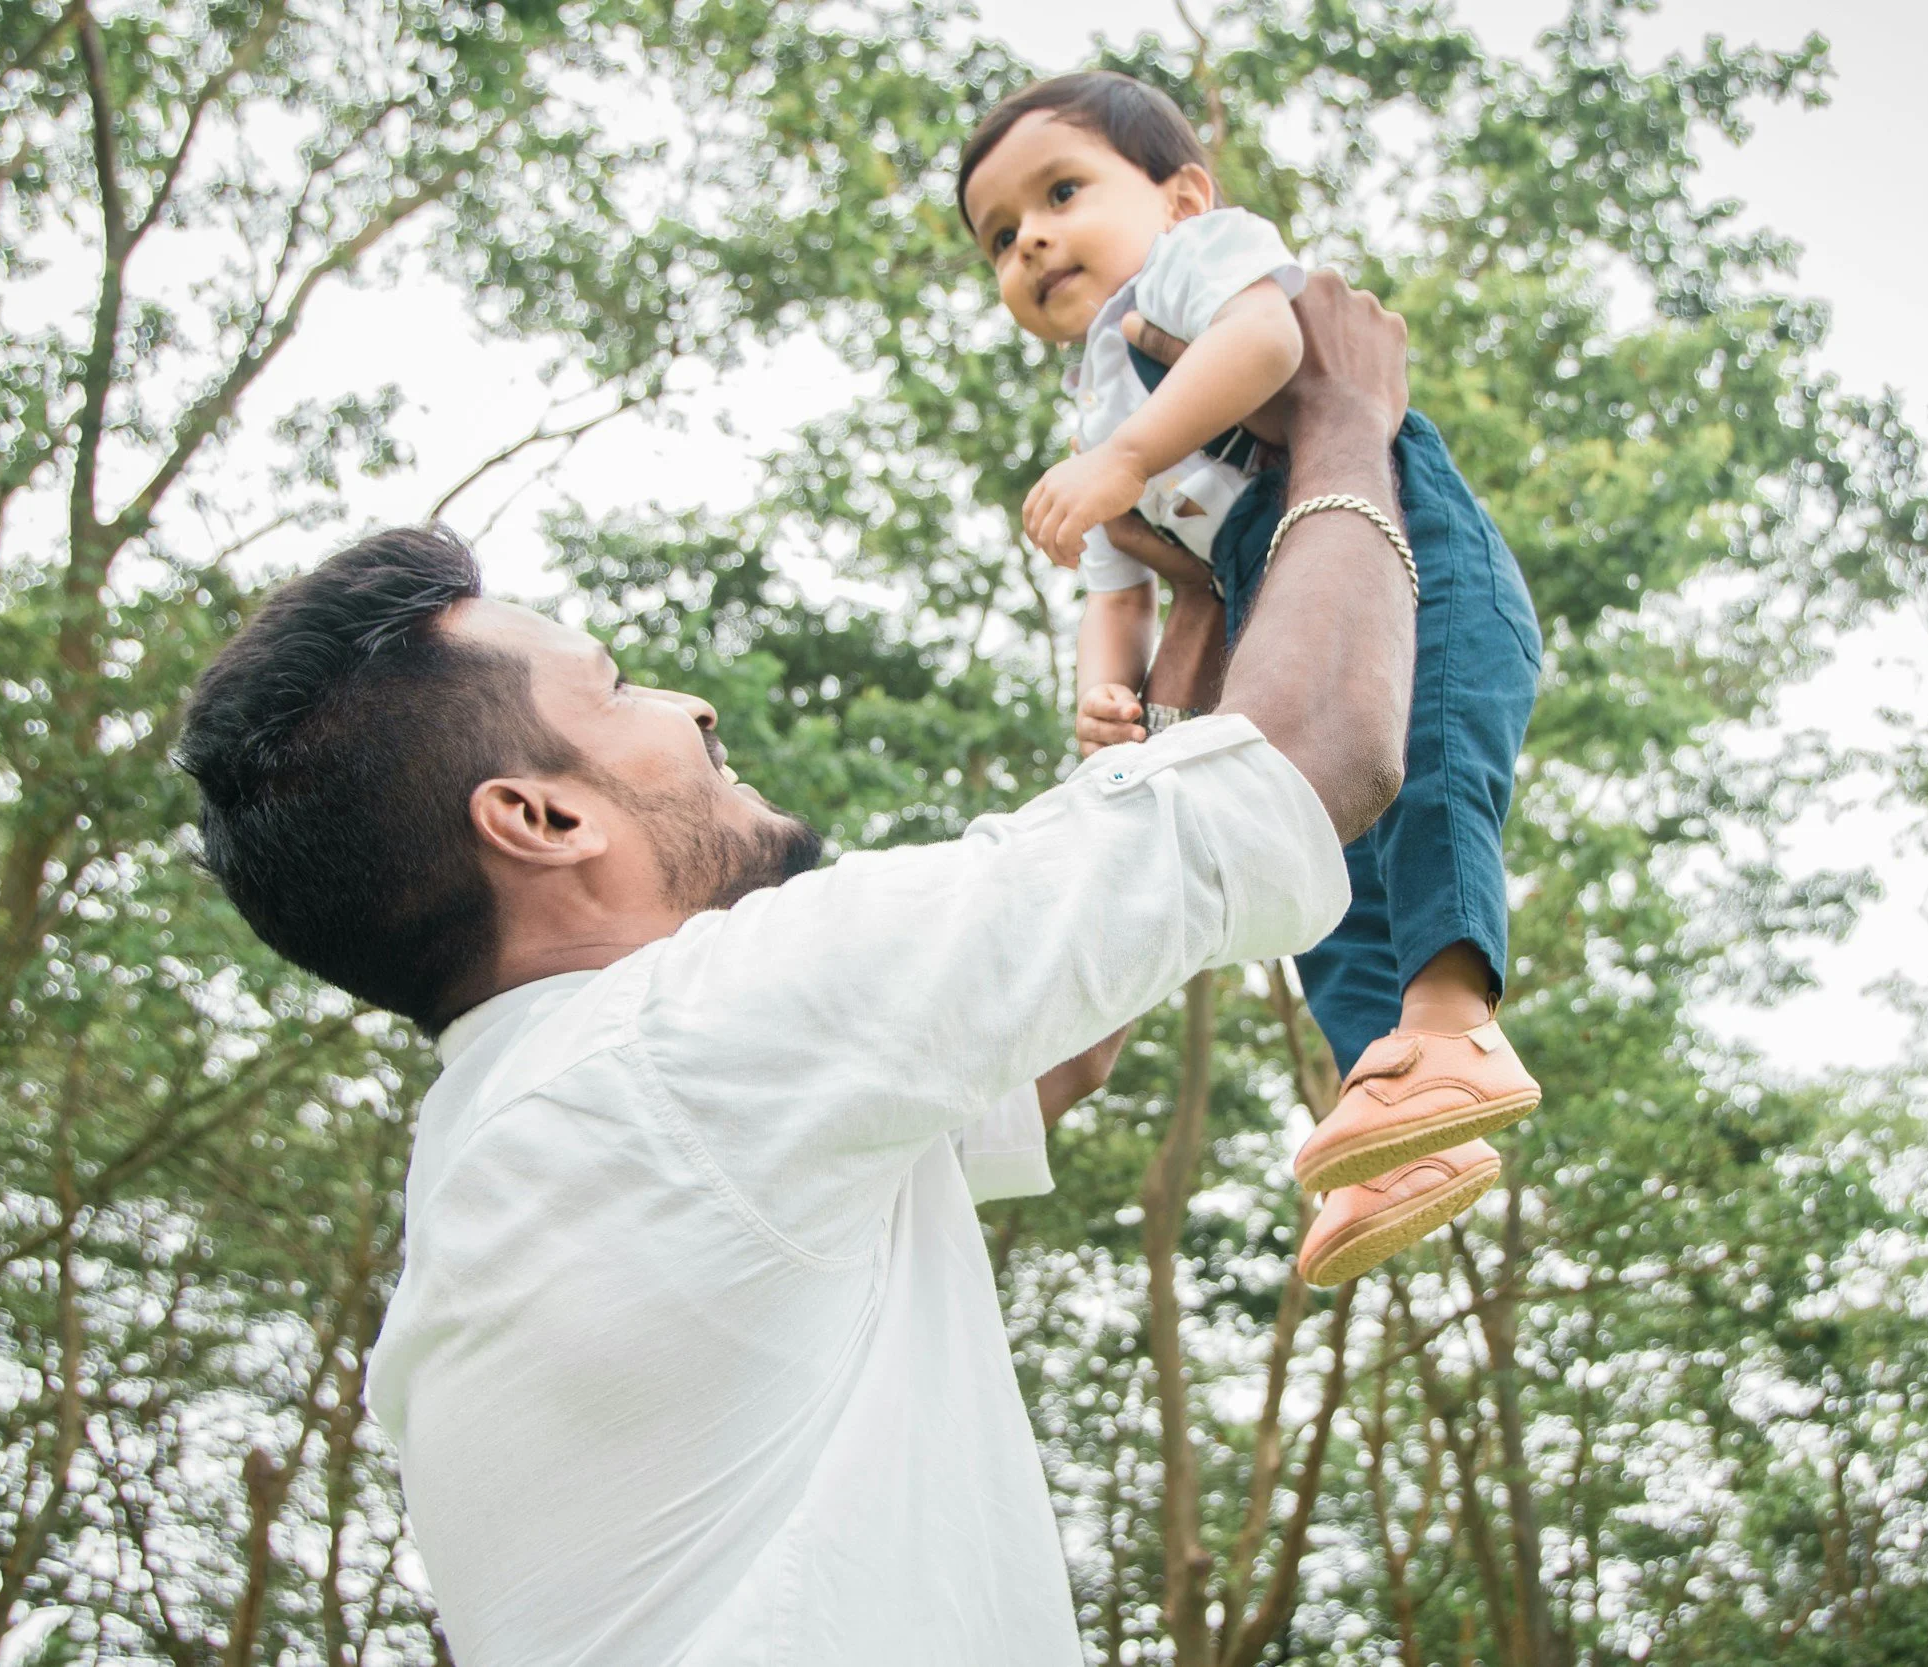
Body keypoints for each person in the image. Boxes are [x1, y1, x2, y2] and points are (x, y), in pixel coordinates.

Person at [177, 275, 1422, 1664]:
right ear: (541, 817)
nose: (689, 705)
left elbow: (1053, 1048)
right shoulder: (686, 1042)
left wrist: (1189, 625)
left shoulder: (540, 1136)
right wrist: (1351, 420)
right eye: (618, 687)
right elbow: (1316, 755)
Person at [956, 70, 1547, 1285]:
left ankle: (1455, 1031)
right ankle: (1391, 1119)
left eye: (1062, 193)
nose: (1034, 241)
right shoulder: (1093, 417)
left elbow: (1273, 337)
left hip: (1410, 555)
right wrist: (1105, 705)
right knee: (1315, 873)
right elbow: (1115, 593)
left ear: (1179, 197)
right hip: (1297, 609)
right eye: (1001, 238)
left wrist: (1128, 455)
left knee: (1427, 773)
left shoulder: (1186, 272)